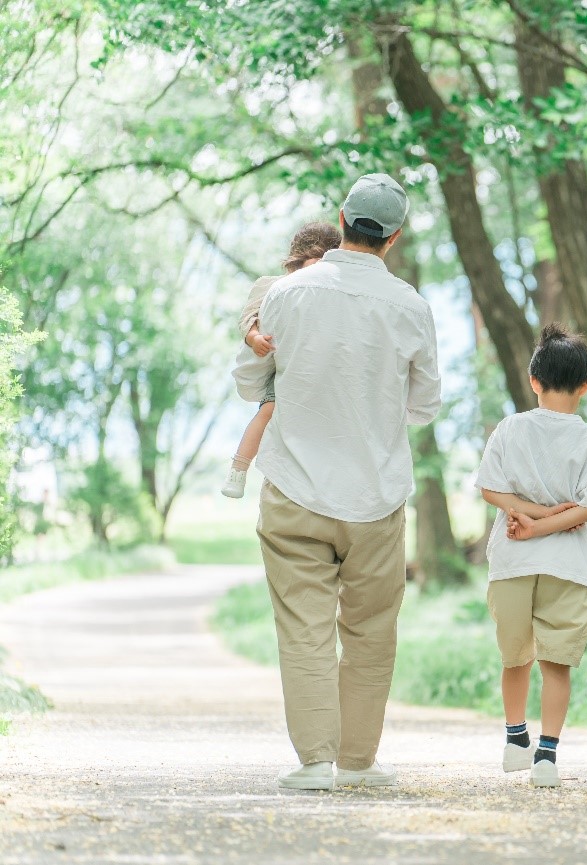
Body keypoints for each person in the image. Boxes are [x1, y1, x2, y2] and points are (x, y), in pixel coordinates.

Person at [232, 173, 441, 791]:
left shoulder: (287, 293)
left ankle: (315, 762)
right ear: (394, 237)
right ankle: (358, 762)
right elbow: (424, 406)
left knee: (304, 627)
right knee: (371, 632)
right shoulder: (412, 306)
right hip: (376, 495)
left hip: (294, 487)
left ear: (341, 218)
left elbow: (250, 381)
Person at [474, 324, 587, 788]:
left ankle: (515, 738)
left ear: (534, 380)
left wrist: (528, 518)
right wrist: (546, 519)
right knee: (556, 664)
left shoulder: (510, 429)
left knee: (514, 657)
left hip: (514, 561)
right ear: (586, 386)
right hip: (569, 566)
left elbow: (489, 489)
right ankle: (547, 757)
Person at [222, 222, 341, 498]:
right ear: (295, 262)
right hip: (286, 366)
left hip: (320, 370)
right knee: (268, 411)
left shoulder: (335, 291)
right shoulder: (272, 286)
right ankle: (238, 470)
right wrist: (254, 338)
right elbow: (247, 317)